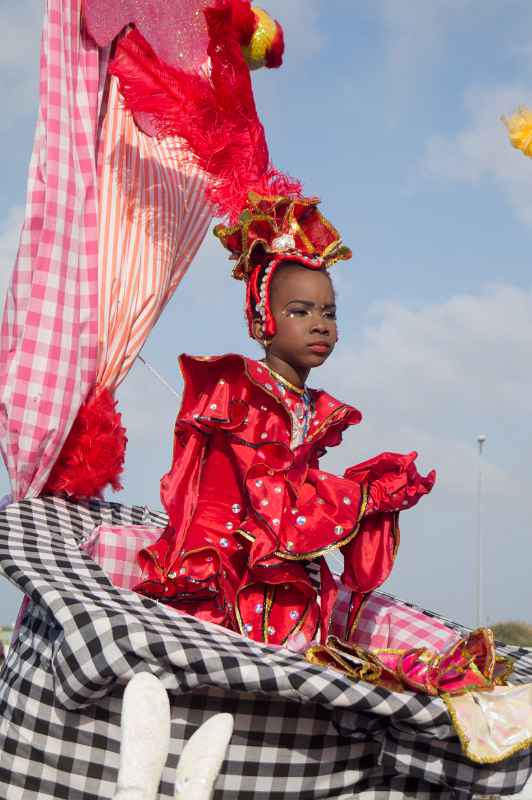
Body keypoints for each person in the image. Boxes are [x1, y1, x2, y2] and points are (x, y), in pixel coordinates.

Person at [133, 193, 436, 648]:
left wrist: (366, 502)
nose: (320, 324)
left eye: (328, 312)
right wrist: (363, 496)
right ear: (261, 321)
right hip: (227, 584)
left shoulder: (312, 407)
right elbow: (273, 500)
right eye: (300, 311)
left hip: (288, 578)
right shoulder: (240, 393)